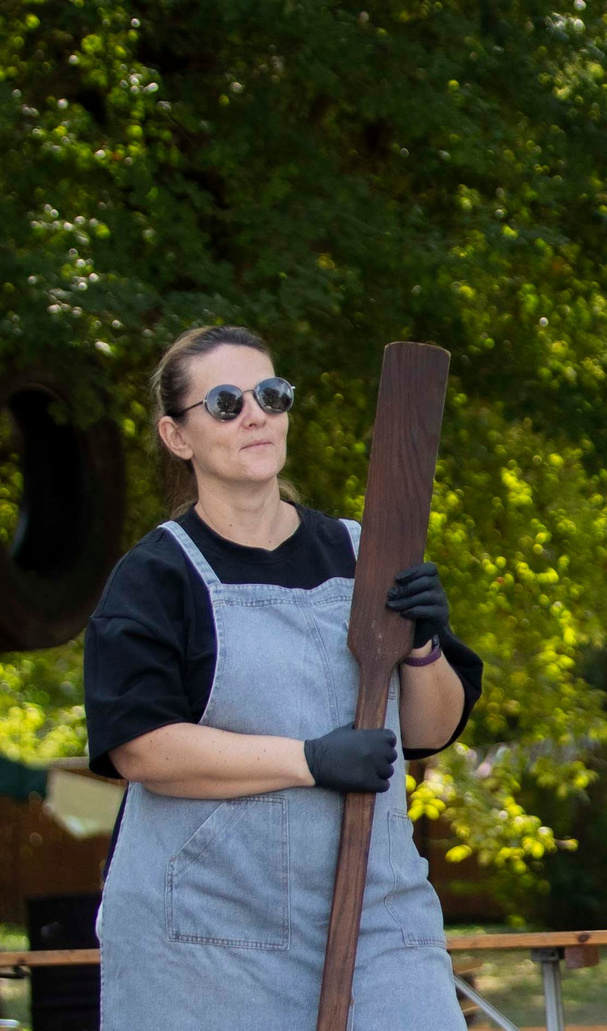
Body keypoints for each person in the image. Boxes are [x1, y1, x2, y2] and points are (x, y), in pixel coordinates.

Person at [84, 325, 481, 1028]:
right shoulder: (156, 576)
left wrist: (423, 649)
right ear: (178, 437)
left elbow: (430, 728)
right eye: (226, 402)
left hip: (380, 922)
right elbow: (140, 747)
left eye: (270, 394)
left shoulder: (369, 551)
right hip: (207, 939)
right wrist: (309, 759)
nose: (255, 413)